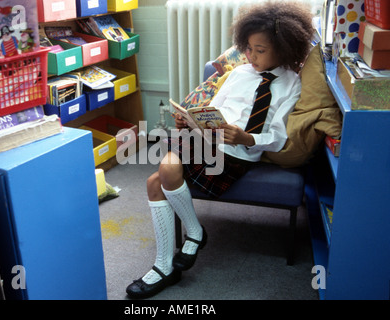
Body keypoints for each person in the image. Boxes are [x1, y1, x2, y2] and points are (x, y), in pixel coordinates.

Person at [126, 1, 314, 299]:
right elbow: (212, 110)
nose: (251, 56)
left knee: (155, 182)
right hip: (205, 143)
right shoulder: (239, 74)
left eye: (260, 50)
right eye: (248, 48)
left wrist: (246, 138)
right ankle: (185, 243)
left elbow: (279, 137)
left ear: (284, 48)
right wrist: (189, 120)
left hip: (237, 155)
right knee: (161, 173)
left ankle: (170, 261)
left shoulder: (292, 84)